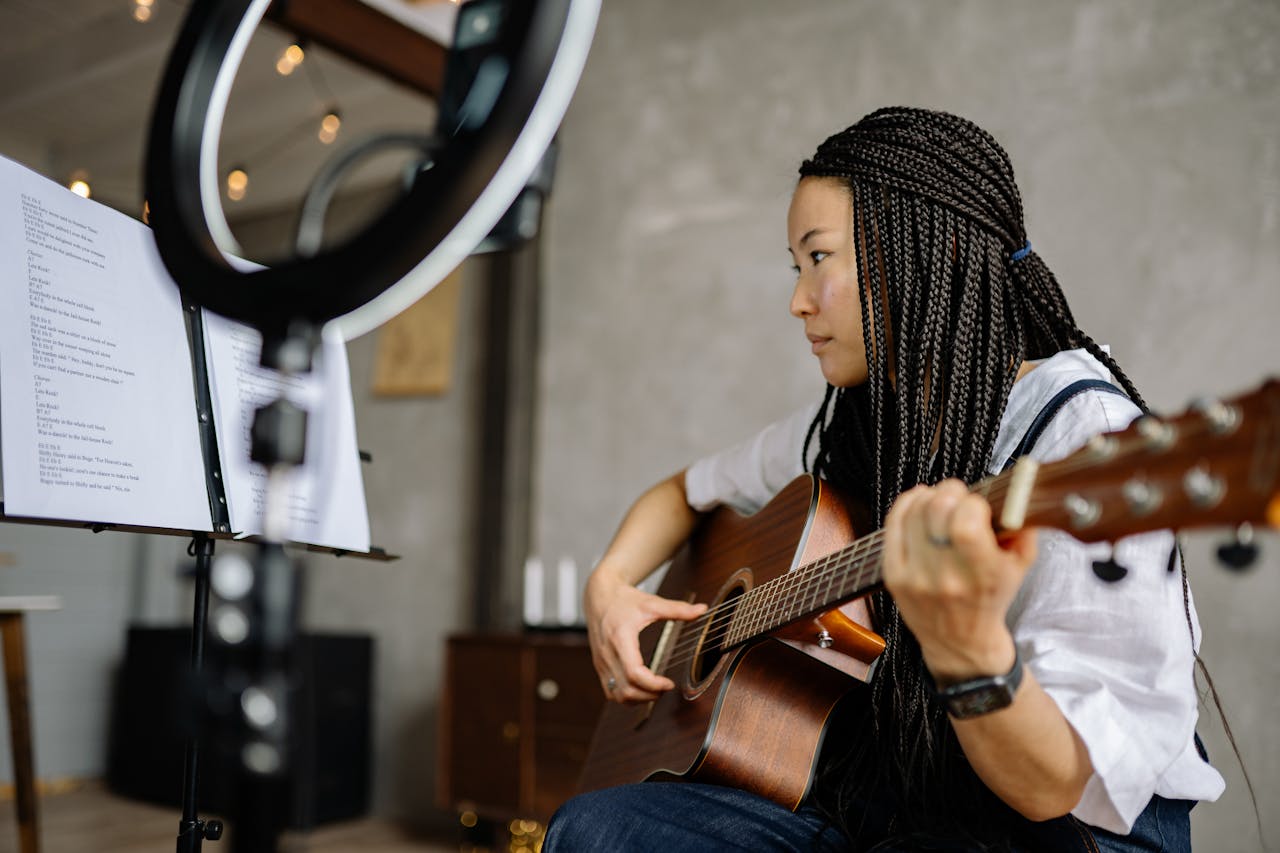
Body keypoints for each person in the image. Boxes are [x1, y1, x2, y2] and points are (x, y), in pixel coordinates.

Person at [543, 107, 1224, 852]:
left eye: (819, 258)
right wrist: (607, 584)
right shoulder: (868, 414)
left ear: (923, 253)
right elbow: (682, 492)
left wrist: (968, 648)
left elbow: (1049, 785)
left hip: (1069, 832)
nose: (798, 300)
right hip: (893, 798)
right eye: (793, 267)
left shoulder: (1085, 436)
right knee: (595, 830)